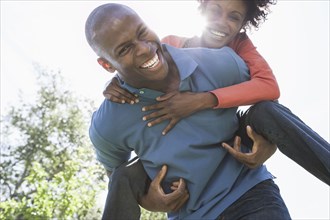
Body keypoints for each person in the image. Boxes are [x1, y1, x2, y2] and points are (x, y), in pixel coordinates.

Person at [85, 3, 291, 220]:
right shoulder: (108, 122)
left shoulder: (224, 60)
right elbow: (115, 173)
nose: (144, 49)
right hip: (188, 215)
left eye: (142, 33)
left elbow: (268, 90)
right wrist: (147, 200)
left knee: (269, 111)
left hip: (251, 196)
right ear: (107, 65)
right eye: (124, 49)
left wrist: (269, 142)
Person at [104, 0, 330, 186]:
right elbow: (139, 66)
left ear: (242, 25)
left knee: (267, 111)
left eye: (234, 17)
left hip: (230, 136)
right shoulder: (171, 45)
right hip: (186, 151)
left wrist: (204, 100)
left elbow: (269, 87)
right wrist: (115, 81)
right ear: (201, 10)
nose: (222, 23)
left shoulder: (240, 46)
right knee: (124, 174)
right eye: (215, 11)